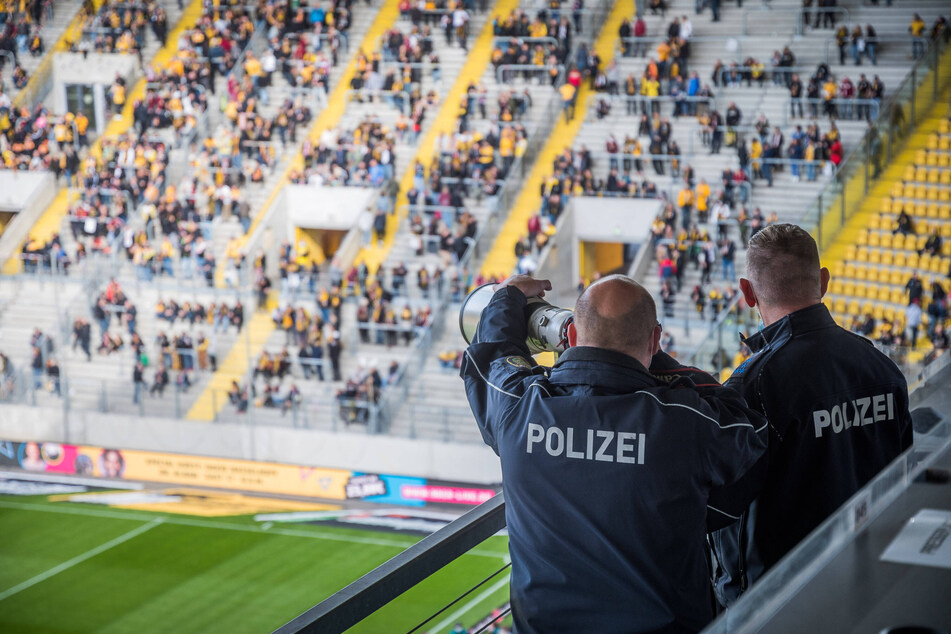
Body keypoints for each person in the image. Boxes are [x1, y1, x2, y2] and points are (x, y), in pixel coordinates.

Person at [461, 274, 767, 632]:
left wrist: (508, 297)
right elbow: (749, 428)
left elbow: (492, 354)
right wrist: (659, 364)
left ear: (572, 338)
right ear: (655, 341)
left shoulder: (519, 409)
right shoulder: (684, 421)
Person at [707, 224, 913, 607]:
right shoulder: (882, 367)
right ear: (823, 282)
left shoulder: (751, 385)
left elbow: (724, 517)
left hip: (784, 600)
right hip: (874, 581)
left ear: (747, 293)